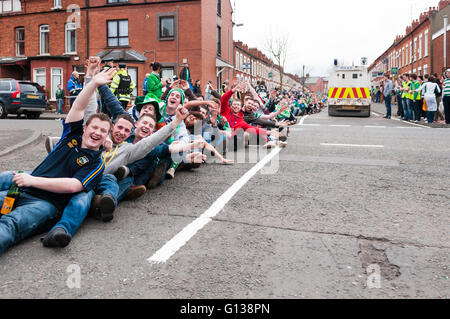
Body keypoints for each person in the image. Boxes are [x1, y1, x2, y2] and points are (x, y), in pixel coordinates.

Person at [0, 68, 115, 256]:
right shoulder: (71, 135)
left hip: (45, 204)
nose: (97, 132)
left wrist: (33, 180)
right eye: (94, 127)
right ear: (85, 128)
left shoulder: (96, 163)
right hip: (22, 191)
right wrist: (93, 84)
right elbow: (78, 107)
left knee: (10, 224)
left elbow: (73, 186)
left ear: (105, 137)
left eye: (103, 131)